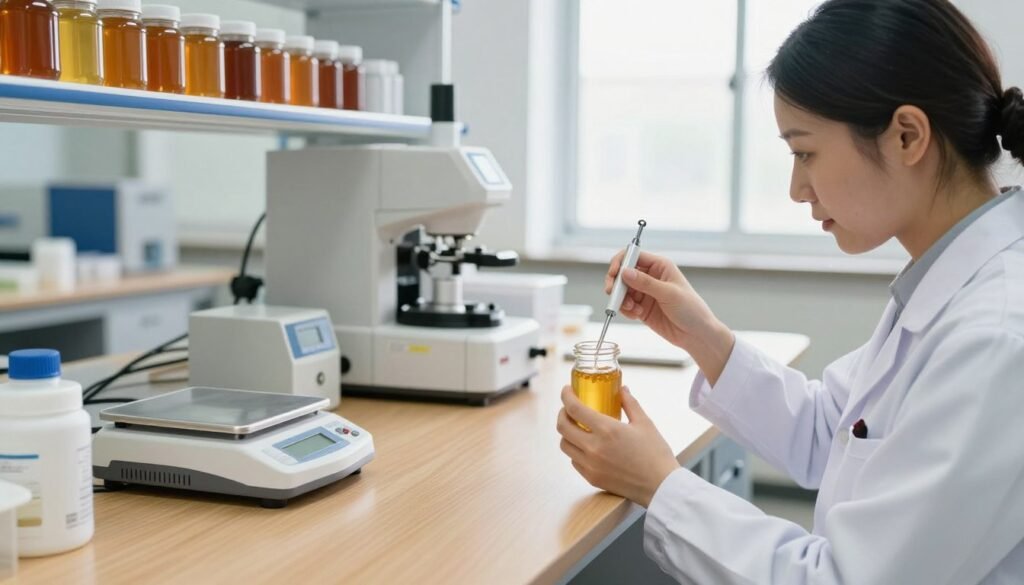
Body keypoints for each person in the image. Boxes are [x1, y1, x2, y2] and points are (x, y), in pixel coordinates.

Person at [555, 1, 1024, 583]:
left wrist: (659, 483)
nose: (797, 188)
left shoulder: (996, 336)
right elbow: (836, 435)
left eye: (805, 152)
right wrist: (705, 338)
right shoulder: (950, 281)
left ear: (907, 135)